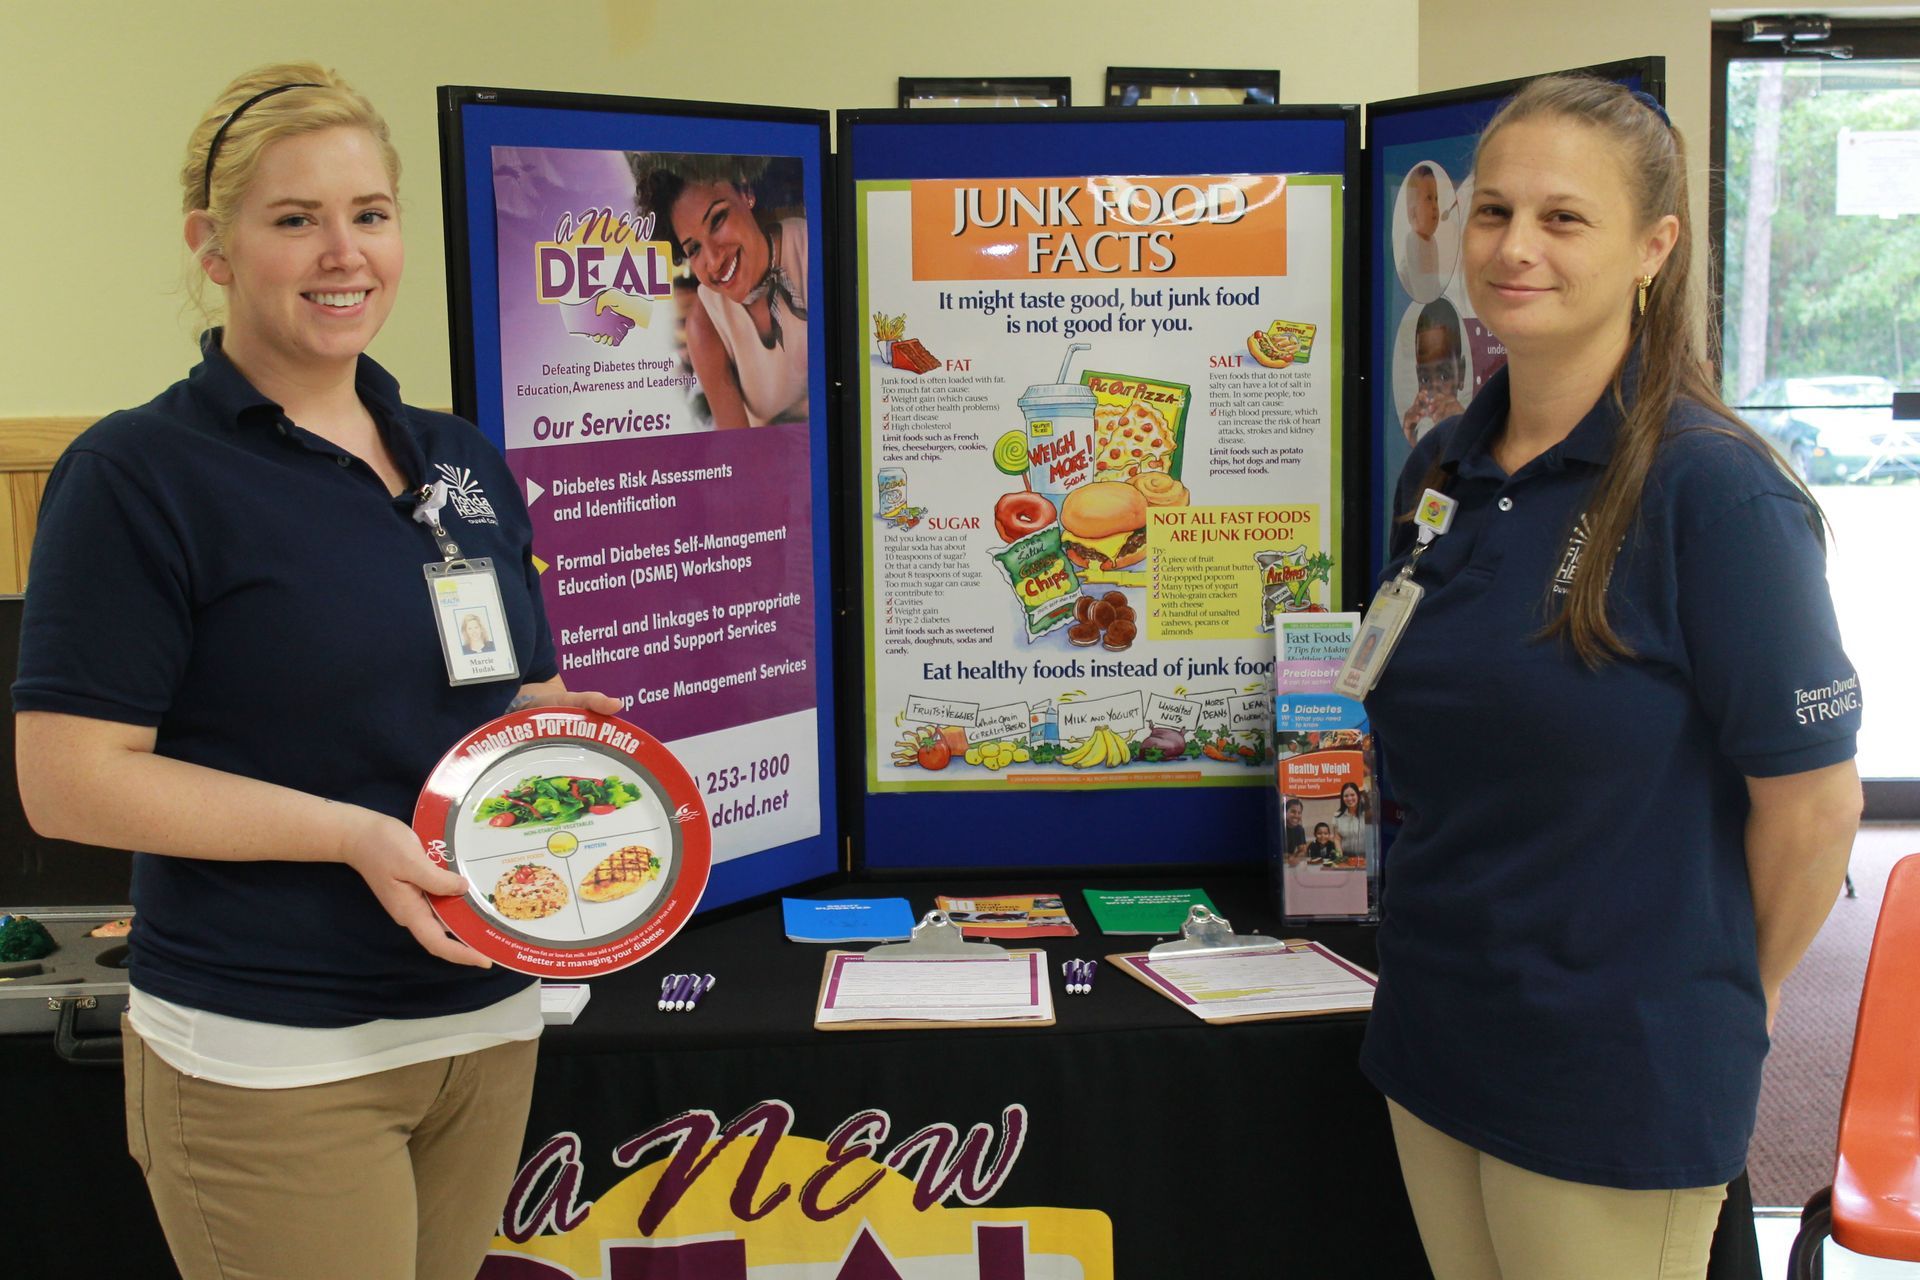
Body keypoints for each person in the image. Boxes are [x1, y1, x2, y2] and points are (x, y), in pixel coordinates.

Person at [11, 64, 617, 1280]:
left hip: (486, 1017)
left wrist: (562, 736)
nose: (345, 254)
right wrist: (351, 833)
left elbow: (498, 697)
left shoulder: (454, 458)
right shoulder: (138, 475)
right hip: (275, 1049)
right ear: (213, 243)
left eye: (370, 214)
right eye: (295, 219)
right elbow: (70, 783)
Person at [1360, 75, 1863, 1280]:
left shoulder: (1715, 491)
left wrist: (1729, 1005)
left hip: (1612, 1068)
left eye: (1563, 218)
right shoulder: (1445, 461)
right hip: (1439, 1035)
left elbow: (1814, 806)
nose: (1513, 247)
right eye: (1491, 212)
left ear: (1654, 245)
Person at [632, 153, 808, 429]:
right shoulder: (705, 327)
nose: (713, 260)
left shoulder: (810, 250)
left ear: (746, 194)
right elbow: (738, 452)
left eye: (717, 220)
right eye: (695, 249)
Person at [1402, 298, 1470, 444]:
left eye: (1444, 376)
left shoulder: (1473, 427)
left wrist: (1464, 430)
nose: (1434, 389)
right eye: (1424, 379)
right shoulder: (1419, 430)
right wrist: (1410, 442)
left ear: (1461, 374)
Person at [1399, 163, 1445, 299]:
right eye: (1428, 198)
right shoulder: (1412, 241)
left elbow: (1433, 283)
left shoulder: (1433, 243)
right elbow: (1417, 286)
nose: (1435, 206)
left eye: (1436, 199)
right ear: (1412, 213)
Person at [1331, 780, 1374, 867]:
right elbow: (1337, 839)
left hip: (1366, 859)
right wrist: (1340, 859)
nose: (1349, 798)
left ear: (1358, 795)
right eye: (1346, 796)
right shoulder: (1337, 816)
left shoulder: (1367, 814)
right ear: (1342, 798)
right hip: (1346, 859)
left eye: (1352, 795)